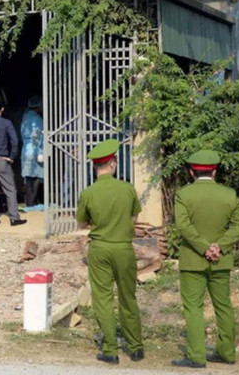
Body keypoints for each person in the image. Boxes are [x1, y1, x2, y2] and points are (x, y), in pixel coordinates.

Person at [171, 150, 239, 368]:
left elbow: (183, 226)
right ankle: (226, 352)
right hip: (221, 260)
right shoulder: (229, 194)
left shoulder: (184, 194)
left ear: (191, 171)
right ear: (215, 171)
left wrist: (204, 248)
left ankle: (196, 356)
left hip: (193, 260)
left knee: (193, 307)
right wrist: (219, 247)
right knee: (223, 306)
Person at [76, 139, 143, 364]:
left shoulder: (88, 193)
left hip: (100, 248)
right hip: (124, 249)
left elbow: (82, 225)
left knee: (103, 298)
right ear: (113, 164)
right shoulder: (127, 189)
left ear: (95, 167)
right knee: (128, 297)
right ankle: (135, 348)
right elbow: (134, 218)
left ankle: (110, 350)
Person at [0, 98, 26, 227]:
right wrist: (12, 156)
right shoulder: (6, 123)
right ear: (2, 109)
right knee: (10, 189)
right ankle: (14, 218)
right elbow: (14, 141)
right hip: (1, 159)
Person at [20, 95, 44, 207]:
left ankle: (29, 201)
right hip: (35, 149)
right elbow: (38, 136)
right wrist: (41, 150)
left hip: (25, 149)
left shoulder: (25, 118)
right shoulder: (37, 119)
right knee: (35, 177)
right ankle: (32, 202)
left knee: (28, 177)